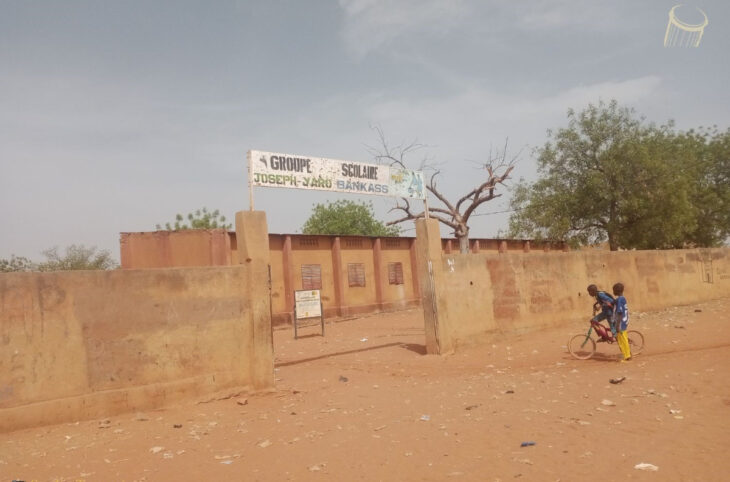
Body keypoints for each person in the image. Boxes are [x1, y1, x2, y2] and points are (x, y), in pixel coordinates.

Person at [612, 282, 632, 362]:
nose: (613, 292)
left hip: (621, 322)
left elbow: (620, 312)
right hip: (623, 321)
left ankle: (627, 356)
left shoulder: (619, 300)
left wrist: (617, 325)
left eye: (613, 290)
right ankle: (626, 355)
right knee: (621, 339)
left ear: (616, 291)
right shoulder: (622, 298)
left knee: (623, 340)